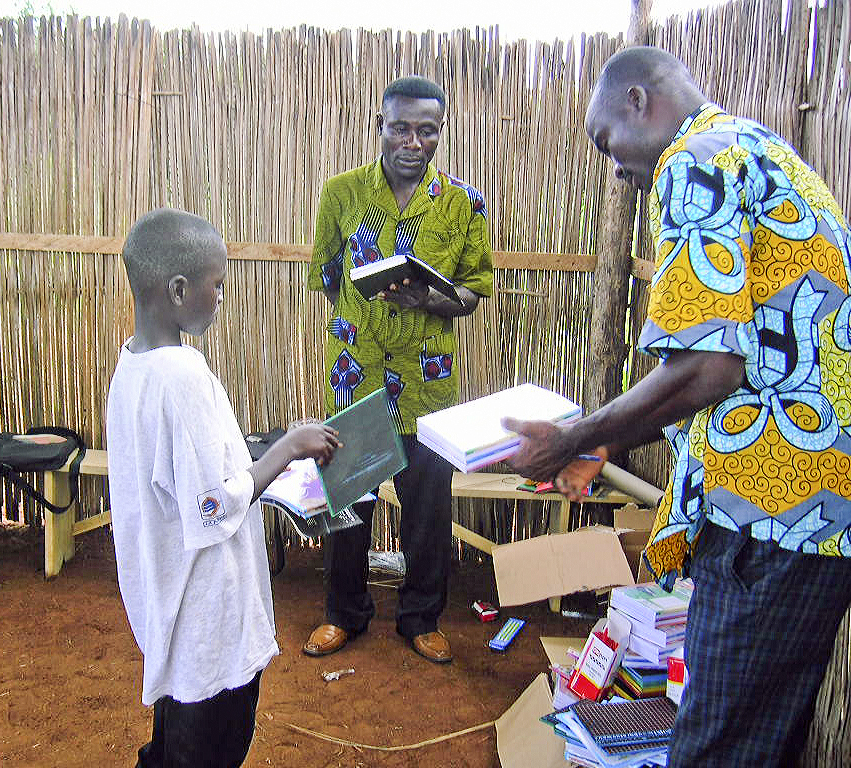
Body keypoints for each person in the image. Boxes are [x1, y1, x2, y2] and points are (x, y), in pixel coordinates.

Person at [504, 46, 851, 768]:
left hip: (770, 510)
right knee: (763, 740)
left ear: (639, 101)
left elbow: (706, 369)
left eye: (607, 141)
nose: (615, 167)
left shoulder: (696, 159)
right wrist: (602, 444)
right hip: (818, 514)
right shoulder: (761, 150)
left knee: (715, 749)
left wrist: (574, 435)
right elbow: (753, 351)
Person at [106, 208, 339, 768]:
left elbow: (191, 477)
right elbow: (210, 508)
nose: (221, 297)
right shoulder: (180, 377)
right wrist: (286, 450)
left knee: (171, 739)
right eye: (218, 285)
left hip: (172, 604)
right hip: (207, 615)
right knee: (209, 747)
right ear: (179, 289)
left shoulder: (133, 364)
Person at [305, 75, 493, 664]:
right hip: (358, 374)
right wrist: (369, 305)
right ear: (379, 125)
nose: (414, 141)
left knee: (428, 510)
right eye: (401, 128)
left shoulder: (464, 204)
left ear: (441, 131)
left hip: (428, 385)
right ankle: (344, 613)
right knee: (348, 501)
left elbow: (473, 292)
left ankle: (419, 618)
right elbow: (326, 277)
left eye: (427, 130)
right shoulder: (341, 194)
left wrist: (429, 301)